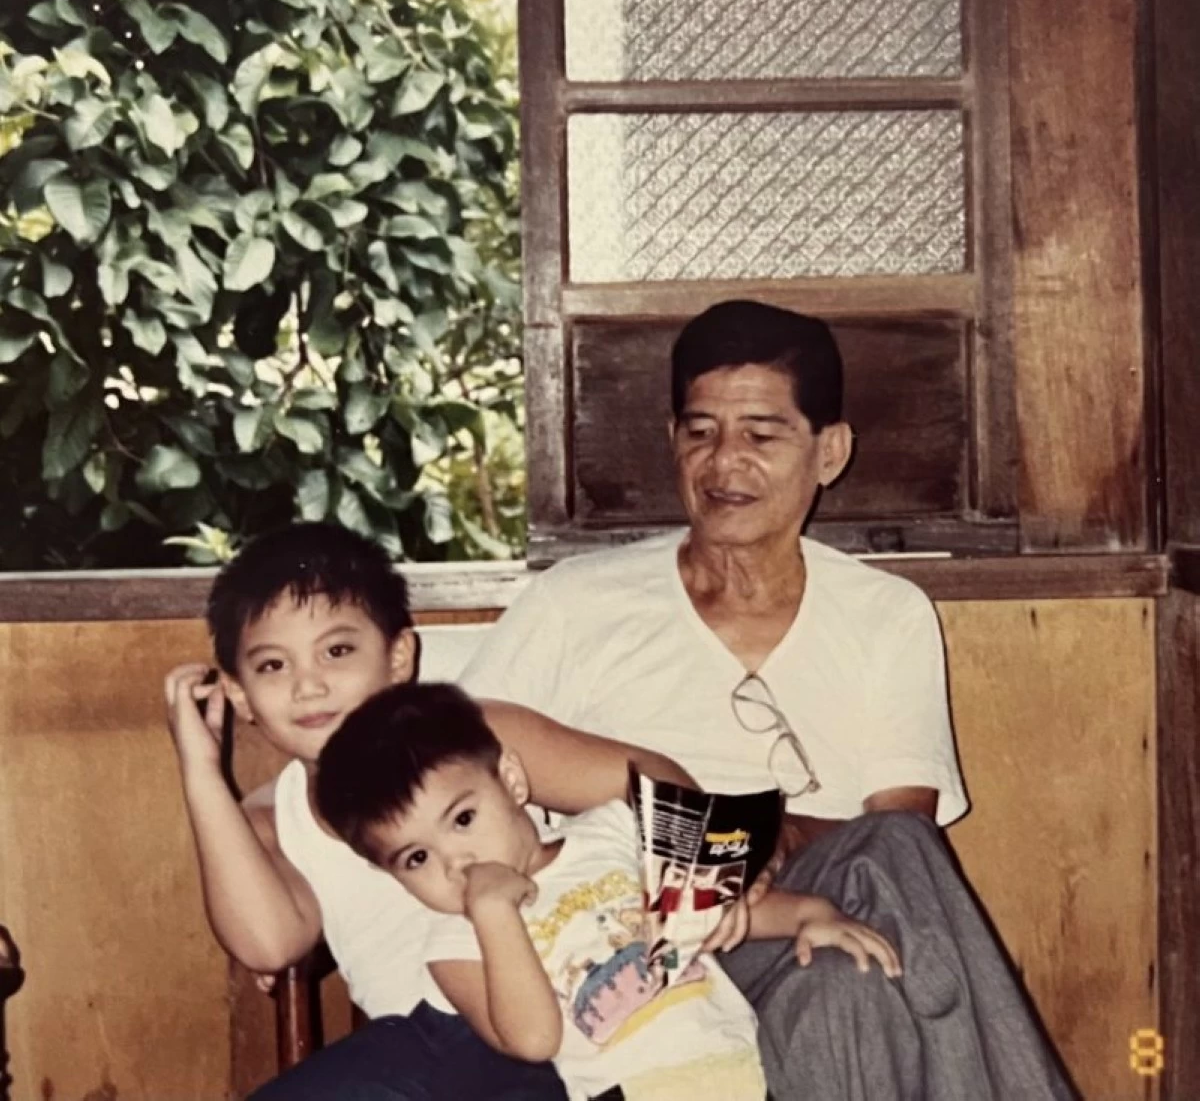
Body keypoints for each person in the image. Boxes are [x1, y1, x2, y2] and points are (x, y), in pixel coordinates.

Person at [458, 299, 1078, 1101]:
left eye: (761, 433)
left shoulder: (884, 614)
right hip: (634, 949)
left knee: (857, 968)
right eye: (700, 431)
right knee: (883, 858)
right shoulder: (578, 602)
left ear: (830, 451)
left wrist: (751, 839)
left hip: (801, 931)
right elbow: (446, 761)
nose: (723, 463)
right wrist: (728, 834)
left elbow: (899, 845)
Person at [164, 521, 700, 1101]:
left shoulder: (471, 736)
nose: (309, 686)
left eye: (337, 651)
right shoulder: (273, 819)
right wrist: (199, 766)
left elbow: (662, 785)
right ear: (240, 696)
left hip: (569, 1000)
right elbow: (269, 945)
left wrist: (693, 899)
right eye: (274, 666)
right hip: (426, 1048)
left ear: (398, 658)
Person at [316, 682, 902, 1101]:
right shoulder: (454, 939)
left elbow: (717, 917)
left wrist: (811, 915)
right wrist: (494, 912)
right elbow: (533, 1038)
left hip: (742, 1069)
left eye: (463, 819)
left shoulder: (613, 831)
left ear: (512, 782)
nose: (455, 861)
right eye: (417, 858)